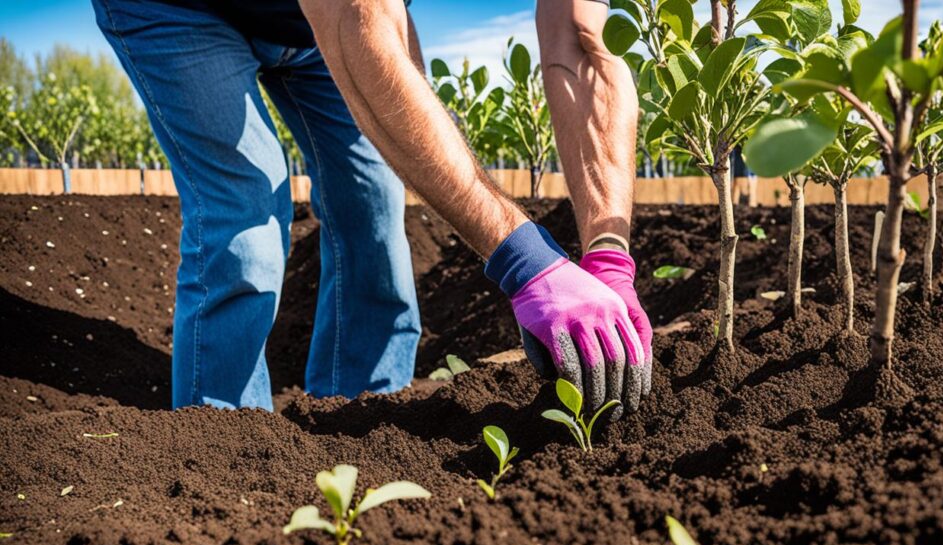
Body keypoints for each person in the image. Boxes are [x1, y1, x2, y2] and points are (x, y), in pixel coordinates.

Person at [92, 0, 652, 416]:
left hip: (320, 23)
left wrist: (609, 258)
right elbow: (355, 21)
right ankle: (218, 447)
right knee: (245, 208)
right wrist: (528, 263)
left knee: (374, 202)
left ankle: (358, 419)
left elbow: (582, 43)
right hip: (179, 10)